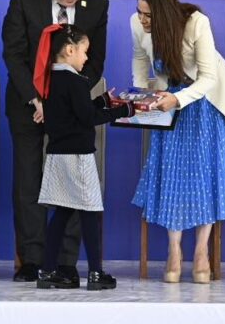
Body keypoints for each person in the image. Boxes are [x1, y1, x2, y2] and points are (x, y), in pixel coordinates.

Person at [131, 0, 225, 284]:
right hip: (170, 100)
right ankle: (174, 250)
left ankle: (202, 252)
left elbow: (209, 77)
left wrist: (178, 98)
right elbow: (140, 58)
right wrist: (140, 92)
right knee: (172, 175)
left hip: (208, 101)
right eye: (140, 13)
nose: (142, 20)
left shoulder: (197, 23)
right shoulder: (138, 24)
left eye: (148, 16)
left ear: (164, 13)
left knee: (205, 176)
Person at [2, 0, 109, 283]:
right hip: (26, 104)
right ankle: (33, 260)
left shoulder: (98, 5)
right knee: (29, 180)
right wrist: (35, 98)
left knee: (72, 183)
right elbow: (14, 53)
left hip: (69, 109)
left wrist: (63, 99)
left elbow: (94, 63)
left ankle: (65, 261)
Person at [33, 24, 134, 291]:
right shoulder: (76, 81)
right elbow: (87, 119)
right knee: (90, 212)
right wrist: (125, 110)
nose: (87, 58)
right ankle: (96, 273)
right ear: (69, 50)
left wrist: (101, 101)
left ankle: (46, 271)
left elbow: (75, 111)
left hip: (57, 155)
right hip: (78, 157)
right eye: (84, 52)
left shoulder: (50, 80)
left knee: (63, 211)